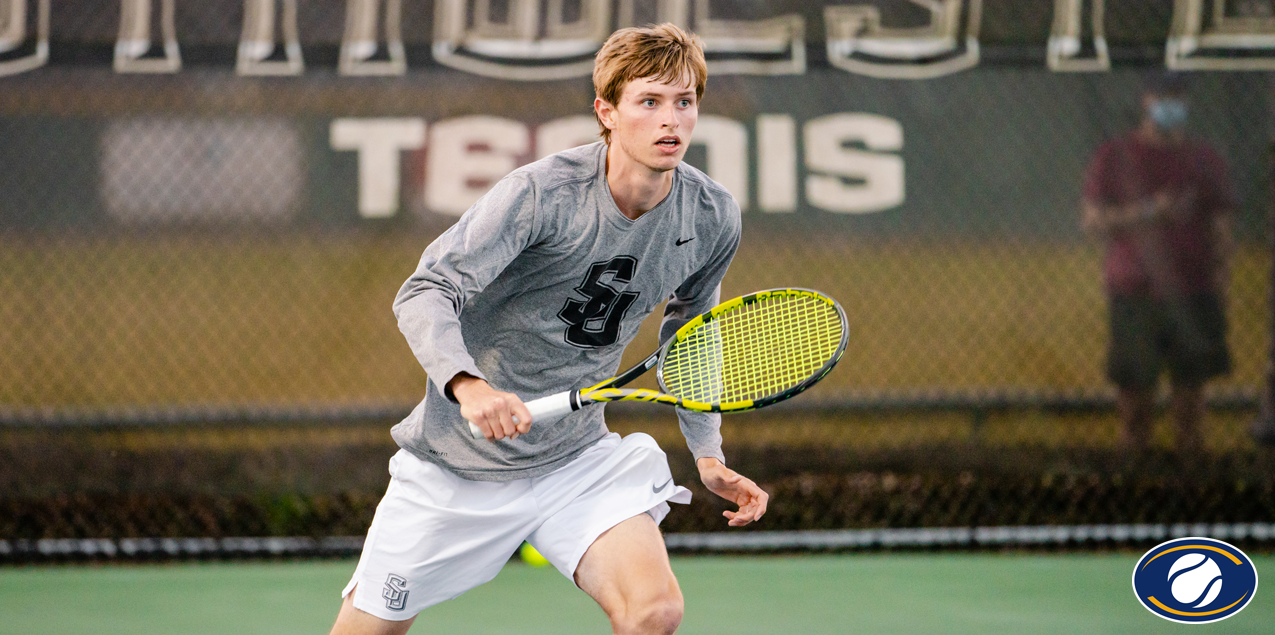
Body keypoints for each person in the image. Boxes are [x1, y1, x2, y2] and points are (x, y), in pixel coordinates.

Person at [329, 24, 768, 635]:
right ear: (606, 112)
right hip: (458, 465)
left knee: (655, 612)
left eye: (684, 101)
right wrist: (471, 387)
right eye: (649, 101)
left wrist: (708, 453)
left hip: (576, 460)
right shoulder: (542, 194)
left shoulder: (711, 214)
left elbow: (693, 331)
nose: (671, 120)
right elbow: (426, 290)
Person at [1081, 72, 1236, 453]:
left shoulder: (1204, 158)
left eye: (1179, 97)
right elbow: (1094, 220)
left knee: (1191, 412)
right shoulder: (1115, 156)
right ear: (1145, 101)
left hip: (1193, 292)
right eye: (1164, 96)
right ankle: (1135, 494)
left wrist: (1221, 283)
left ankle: (1192, 498)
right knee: (1135, 411)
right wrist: (1150, 211)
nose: (1172, 105)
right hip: (1136, 293)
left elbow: (1221, 228)